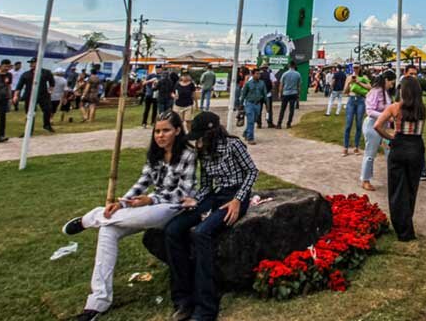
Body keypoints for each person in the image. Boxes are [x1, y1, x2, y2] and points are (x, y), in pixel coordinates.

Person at [62, 110, 197, 321]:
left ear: (178, 131)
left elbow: (184, 192)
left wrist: (151, 200)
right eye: (157, 131)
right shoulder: (155, 154)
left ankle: (90, 219)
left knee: (145, 216)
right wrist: (122, 203)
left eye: (166, 131)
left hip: (175, 206)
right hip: (152, 202)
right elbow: (142, 182)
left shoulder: (188, 154)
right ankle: (97, 301)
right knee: (108, 230)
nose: (160, 136)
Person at [164, 112, 258, 321]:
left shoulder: (234, 145)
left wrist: (238, 199)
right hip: (215, 195)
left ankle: (206, 306)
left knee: (202, 233)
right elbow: (207, 184)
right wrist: (194, 200)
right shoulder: (203, 151)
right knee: (173, 230)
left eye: (201, 136)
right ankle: (183, 298)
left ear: (212, 132)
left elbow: (252, 172)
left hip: (236, 196)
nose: (198, 141)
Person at [374, 76, 426, 241]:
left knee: (397, 189)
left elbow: (377, 126)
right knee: (412, 188)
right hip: (416, 147)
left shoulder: (395, 108)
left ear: (402, 91)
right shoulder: (422, 109)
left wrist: (391, 138)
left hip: (399, 147)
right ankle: (407, 222)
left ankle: (402, 228)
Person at [361, 71, 394, 191]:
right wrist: (385, 116)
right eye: (391, 82)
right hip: (372, 126)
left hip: (383, 126)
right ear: (386, 80)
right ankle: (365, 180)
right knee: (370, 153)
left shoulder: (385, 92)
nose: (392, 85)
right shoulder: (374, 92)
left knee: (389, 150)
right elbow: (369, 111)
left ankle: (393, 177)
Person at [13, 57, 56, 133]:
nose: (31, 64)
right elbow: (19, 86)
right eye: (31, 63)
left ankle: (47, 125)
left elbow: (52, 83)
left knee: (48, 110)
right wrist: (16, 95)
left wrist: (50, 91)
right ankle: (29, 129)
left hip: (43, 95)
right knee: (30, 113)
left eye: (33, 62)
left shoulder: (46, 72)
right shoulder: (26, 74)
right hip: (30, 95)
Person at [343, 68, 369, 156]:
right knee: (348, 124)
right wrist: (349, 82)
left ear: (360, 67)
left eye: (358, 67)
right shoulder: (349, 77)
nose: (356, 69)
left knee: (358, 124)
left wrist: (359, 82)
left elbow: (370, 87)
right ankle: (345, 147)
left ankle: (356, 147)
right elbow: (345, 92)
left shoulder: (364, 77)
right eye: (354, 67)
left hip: (361, 100)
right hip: (351, 100)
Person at [240, 68, 266, 144]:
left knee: (254, 120)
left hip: (258, 104)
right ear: (252, 74)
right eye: (257, 74)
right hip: (249, 104)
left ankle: (246, 133)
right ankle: (250, 138)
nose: (258, 75)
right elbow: (243, 95)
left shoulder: (262, 83)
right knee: (250, 120)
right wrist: (241, 105)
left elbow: (264, 94)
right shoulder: (248, 84)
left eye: (259, 74)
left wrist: (267, 105)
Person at [276, 62, 301, 128]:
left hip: (285, 93)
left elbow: (281, 84)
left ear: (289, 66)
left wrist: (279, 93)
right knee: (291, 110)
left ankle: (279, 124)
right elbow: (299, 86)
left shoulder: (285, 74)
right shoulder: (298, 74)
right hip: (294, 93)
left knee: (282, 109)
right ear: (294, 66)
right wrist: (298, 94)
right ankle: (288, 123)